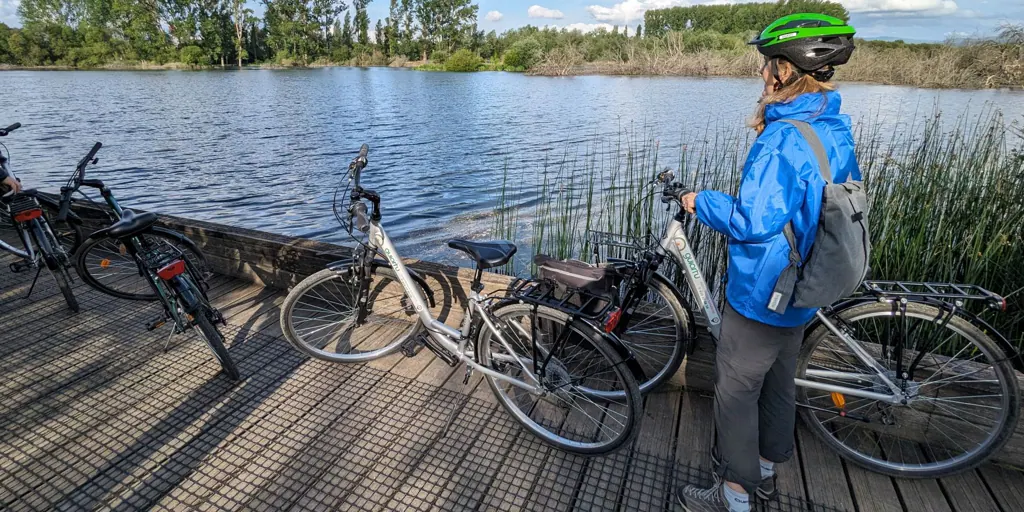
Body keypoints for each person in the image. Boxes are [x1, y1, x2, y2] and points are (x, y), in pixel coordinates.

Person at [675, 13, 860, 512]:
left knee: (735, 394)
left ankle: (734, 494)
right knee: (778, 386)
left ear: (785, 70)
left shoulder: (780, 139)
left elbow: (752, 221)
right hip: (808, 284)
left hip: (765, 289)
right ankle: (764, 470)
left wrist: (701, 200)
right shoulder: (833, 126)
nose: (761, 73)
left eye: (766, 63)